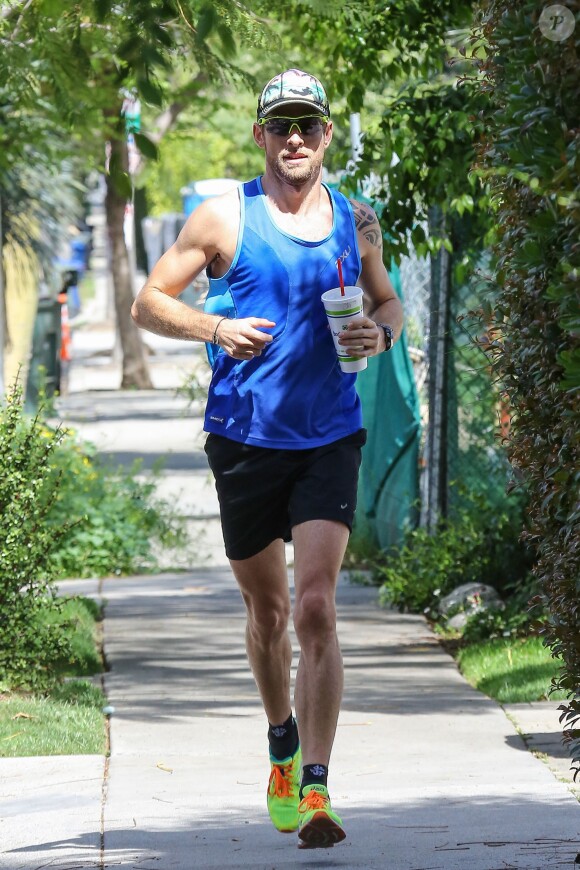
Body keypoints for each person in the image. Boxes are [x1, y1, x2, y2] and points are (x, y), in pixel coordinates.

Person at [131, 68, 403, 849]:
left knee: (316, 606)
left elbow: (387, 303)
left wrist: (377, 334)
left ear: (326, 136)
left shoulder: (359, 220)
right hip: (245, 440)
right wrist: (215, 330)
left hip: (329, 436)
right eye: (280, 125)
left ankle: (316, 787)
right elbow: (150, 301)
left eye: (307, 126)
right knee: (270, 613)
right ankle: (281, 740)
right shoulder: (224, 219)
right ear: (260, 134)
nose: (294, 138)